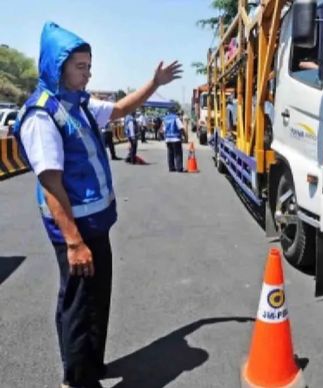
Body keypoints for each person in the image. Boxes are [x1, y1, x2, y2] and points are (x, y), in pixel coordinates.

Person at [11, 22, 182, 388]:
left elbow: (120, 109)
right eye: (80, 67)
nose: (87, 74)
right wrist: (73, 242)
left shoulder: (79, 104)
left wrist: (154, 84)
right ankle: (77, 380)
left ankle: (90, 363)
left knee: (95, 301)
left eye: (89, 66)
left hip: (95, 223)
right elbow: (51, 183)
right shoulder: (43, 115)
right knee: (79, 307)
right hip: (77, 229)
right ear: (57, 67)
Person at [163, 108, 185, 172]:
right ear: (174, 112)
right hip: (176, 138)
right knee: (178, 154)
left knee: (170, 154)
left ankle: (171, 168)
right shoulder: (176, 118)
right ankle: (179, 168)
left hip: (168, 139)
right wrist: (185, 136)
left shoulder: (165, 119)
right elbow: (181, 128)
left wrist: (165, 138)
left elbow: (164, 130)